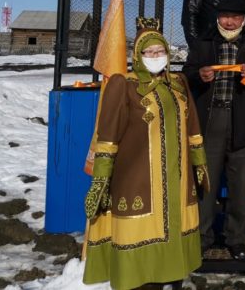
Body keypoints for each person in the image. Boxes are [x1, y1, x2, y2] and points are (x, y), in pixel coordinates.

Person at [83, 18, 209, 290]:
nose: (155, 57)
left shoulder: (179, 83)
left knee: (174, 244)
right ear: (137, 56)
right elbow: (107, 138)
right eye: (149, 52)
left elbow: (194, 128)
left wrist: (199, 166)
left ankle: (171, 277)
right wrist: (101, 181)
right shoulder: (123, 85)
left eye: (160, 52)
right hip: (138, 181)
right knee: (141, 254)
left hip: (177, 182)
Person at [183, 0, 245, 261]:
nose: (230, 22)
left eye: (235, 17)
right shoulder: (204, 44)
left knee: (240, 184)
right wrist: (199, 75)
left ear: (244, 20)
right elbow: (186, 75)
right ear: (217, 18)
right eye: (225, 16)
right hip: (211, 121)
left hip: (242, 120)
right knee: (206, 183)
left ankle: (236, 239)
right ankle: (202, 236)